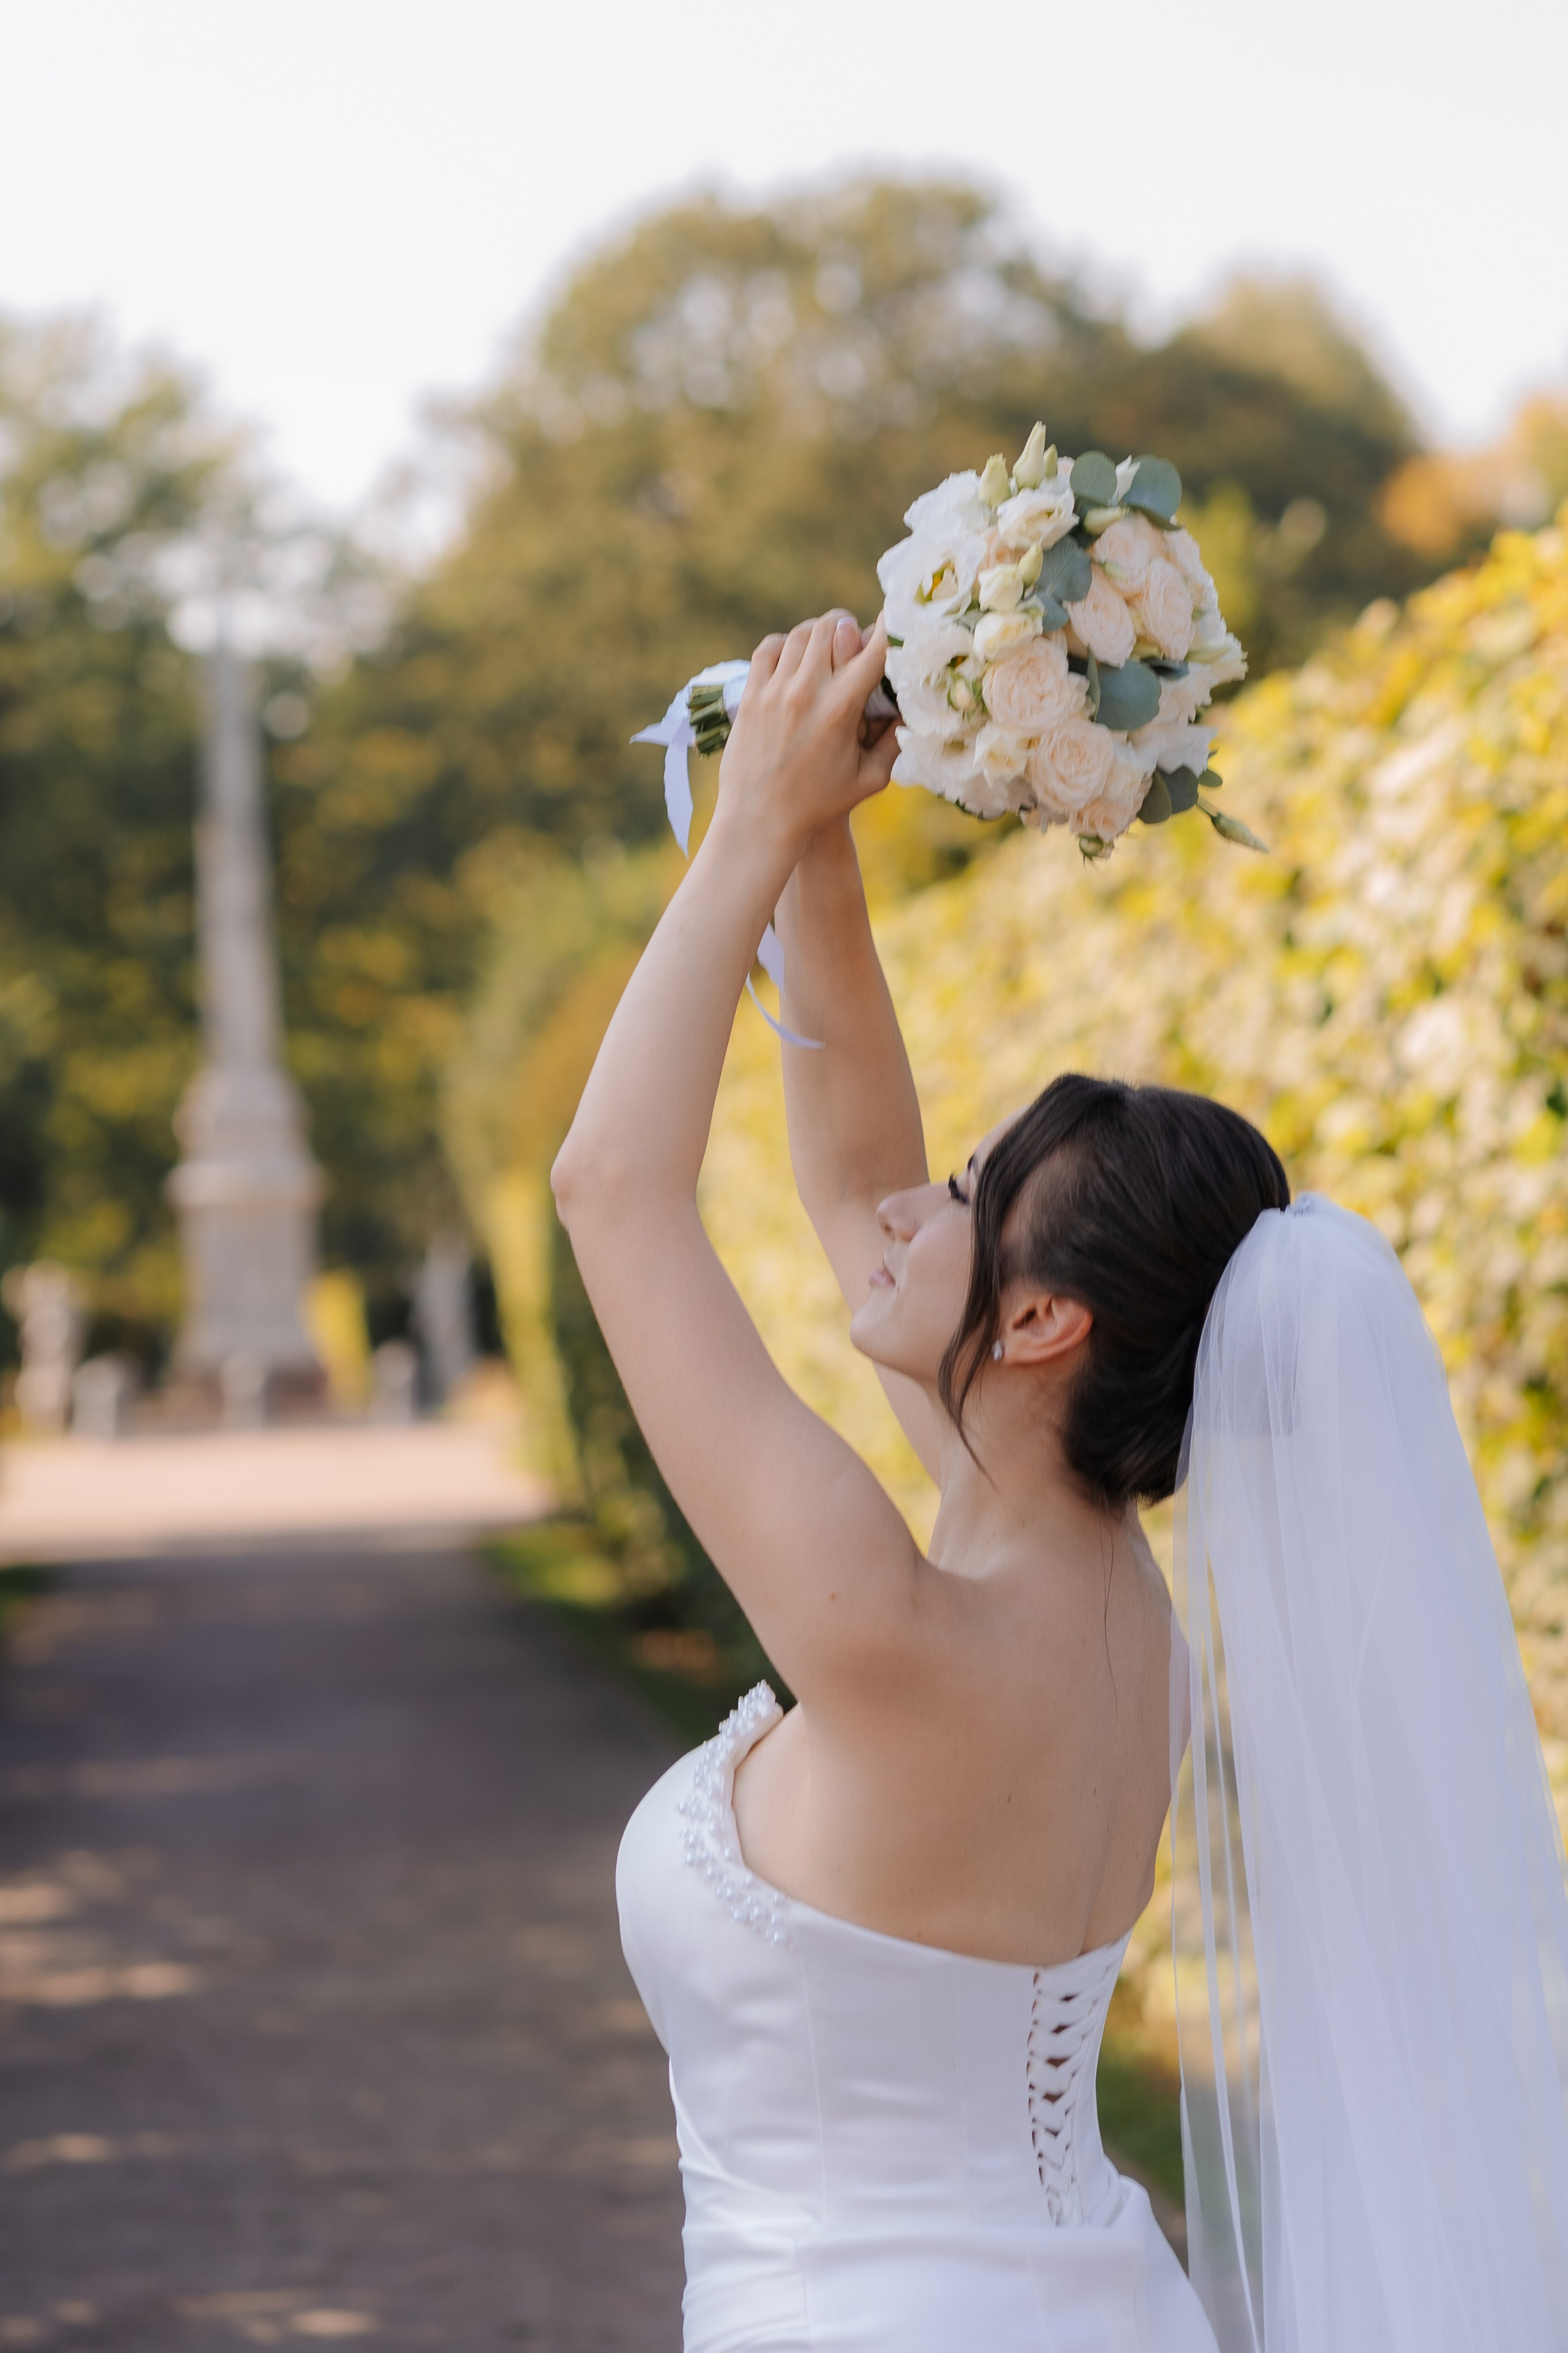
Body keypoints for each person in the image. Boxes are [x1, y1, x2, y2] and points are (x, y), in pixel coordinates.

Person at [553, 614, 1568, 2351]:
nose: (904, 1211)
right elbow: (856, 1159)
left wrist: (734, 840)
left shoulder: (887, 1621)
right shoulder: (1106, 1603)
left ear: (1036, 1319)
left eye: (965, 1191)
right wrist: (813, 836)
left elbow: (613, 1187)